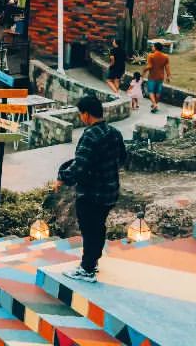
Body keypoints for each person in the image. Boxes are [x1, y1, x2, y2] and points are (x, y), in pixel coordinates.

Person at [56, 95, 127, 283]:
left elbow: (79, 167)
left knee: (89, 230)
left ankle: (87, 269)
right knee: (98, 228)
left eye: (81, 114)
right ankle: (92, 262)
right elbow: (122, 159)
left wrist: (62, 178)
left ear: (86, 114)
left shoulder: (90, 135)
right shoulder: (114, 133)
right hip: (109, 192)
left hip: (91, 194)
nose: (81, 117)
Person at [144, 42, 170, 113]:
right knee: (158, 92)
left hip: (152, 76)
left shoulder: (151, 55)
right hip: (161, 77)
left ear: (155, 48)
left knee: (151, 91)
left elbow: (149, 66)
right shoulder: (165, 56)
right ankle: (155, 105)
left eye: (152, 46)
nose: (152, 48)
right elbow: (167, 68)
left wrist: (144, 70)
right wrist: (168, 76)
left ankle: (154, 104)